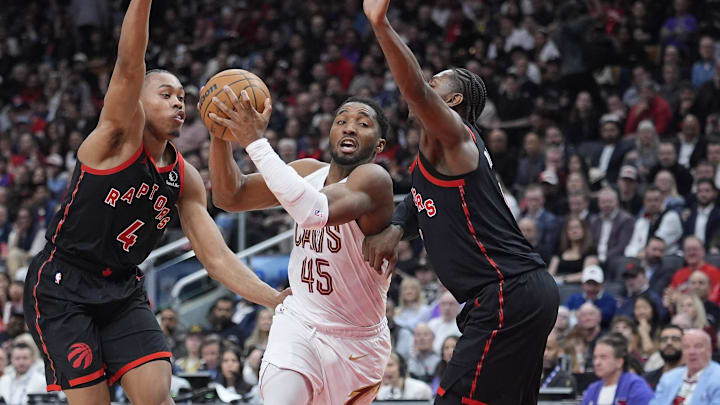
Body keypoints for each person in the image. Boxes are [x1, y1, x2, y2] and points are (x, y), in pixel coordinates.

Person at [21, 2, 287, 404]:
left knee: (157, 396)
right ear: (137, 103)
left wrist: (274, 299)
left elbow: (216, 258)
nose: (179, 103)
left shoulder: (186, 178)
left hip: (123, 286)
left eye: (182, 97)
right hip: (64, 284)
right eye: (166, 94)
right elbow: (129, 64)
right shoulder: (113, 140)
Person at [361, 0, 560, 403]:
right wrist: (398, 228)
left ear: (452, 103)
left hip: (507, 291)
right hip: (514, 293)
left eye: (437, 85)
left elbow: (413, 90)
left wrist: (380, 25)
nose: (425, 88)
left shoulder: (456, 140)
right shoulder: (436, 157)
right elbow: (419, 200)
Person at [207, 88, 395, 402]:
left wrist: (255, 141)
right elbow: (230, 196)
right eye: (342, 120)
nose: (349, 127)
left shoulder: (375, 180)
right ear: (331, 132)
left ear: (379, 144)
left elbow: (314, 211)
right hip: (298, 321)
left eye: (363, 124)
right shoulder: (308, 172)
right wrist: (221, 132)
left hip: (357, 345)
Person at [650, 329, 720, 405]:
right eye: (686, 347)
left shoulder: (717, 377)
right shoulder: (668, 378)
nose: (692, 352)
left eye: (698, 346)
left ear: (709, 350)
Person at [581, 333, 654, 405]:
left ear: (619, 362)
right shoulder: (592, 389)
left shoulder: (635, 386)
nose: (596, 363)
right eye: (595, 357)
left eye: (603, 357)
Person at [643, 325, 684, 390]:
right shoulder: (648, 378)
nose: (669, 342)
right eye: (664, 339)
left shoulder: (692, 376)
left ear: (684, 344)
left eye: (675, 339)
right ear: (659, 345)